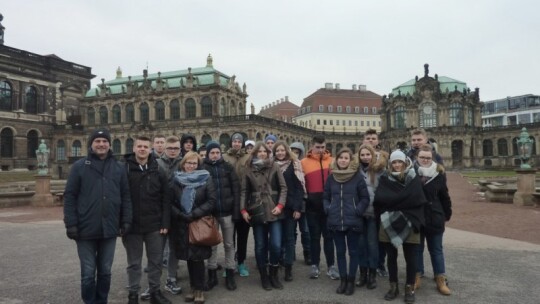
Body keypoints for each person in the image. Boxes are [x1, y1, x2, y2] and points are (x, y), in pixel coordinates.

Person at [63, 129, 132, 304]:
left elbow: (125, 196)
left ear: (109, 144)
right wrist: (71, 223)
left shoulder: (118, 167)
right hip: (85, 228)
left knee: (105, 271)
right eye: (97, 141)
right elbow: (70, 196)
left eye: (104, 141)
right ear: (91, 144)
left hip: (109, 227)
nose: (101, 144)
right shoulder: (79, 166)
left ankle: (101, 301)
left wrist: (125, 220)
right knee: (87, 273)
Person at [374, 150, 427, 304]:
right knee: (391, 257)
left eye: (400, 162)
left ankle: (409, 289)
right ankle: (393, 287)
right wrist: (402, 201)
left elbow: (417, 199)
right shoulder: (385, 178)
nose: (397, 165)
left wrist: (393, 201)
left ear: (405, 163)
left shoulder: (413, 177)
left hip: (410, 221)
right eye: (394, 162)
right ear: (390, 164)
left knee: (411, 258)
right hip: (389, 222)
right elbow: (380, 199)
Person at [123, 136, 171, 304]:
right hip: (132, 226)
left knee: (155, 262)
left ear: (150, 149)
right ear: (134, 148)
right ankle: (133, 295)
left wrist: (165, 222)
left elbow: (166, 197)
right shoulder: (125, 169)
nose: (142, 149)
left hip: (155, 225)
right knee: (134, 264)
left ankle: (154, 292)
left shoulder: (158, 169)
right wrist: (122, 223)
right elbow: (119, 198)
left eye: (145, 146)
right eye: (139, 146)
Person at [169, 152, 216, 304]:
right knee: (189, 258)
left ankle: (199, 289)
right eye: (188, 163)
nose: (191, 166)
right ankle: (192, 287)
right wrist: (181, 215)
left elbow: (211, 201)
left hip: (198, 222)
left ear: (198, 165)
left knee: (198, 258)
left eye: (194, 163)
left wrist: (194, 214)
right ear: (183, 164)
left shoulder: (206, 178)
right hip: (182, 223)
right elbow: (169, 202)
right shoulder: (176, 179)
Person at [240, 142, 287, 290]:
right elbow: (244, 192)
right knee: (260, 245)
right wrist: (243, 210)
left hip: (274, 209)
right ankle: (264, 276)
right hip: (257, 209)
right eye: (259, 151)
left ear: (268, 153)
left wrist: (280, 206)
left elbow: (283, 188)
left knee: (276, 244)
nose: (262, 153)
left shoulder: (274, 166)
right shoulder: (248, 168)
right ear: (254, 153)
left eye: (264, 151)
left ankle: (273, 273)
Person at [323, 148, 369, 296]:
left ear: (351, 160)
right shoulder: (331, 177)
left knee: (354, 252)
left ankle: (351, 280)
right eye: (341, 158)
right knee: (341, 252)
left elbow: (365, 198)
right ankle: (343, 280)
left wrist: (358, 211)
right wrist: (328, 208)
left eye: (346, 158)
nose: (343, 160)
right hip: (336, 219)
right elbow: (325, 197)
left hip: (353, 220)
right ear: (337, 160)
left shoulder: (357, 177)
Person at [414, 144, 452, 296]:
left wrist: (447, 214)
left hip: (435, 216)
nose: (425, 160)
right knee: (417, 249)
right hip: (417, 217)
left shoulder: (439, 173)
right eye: (422, 157)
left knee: (436, 250)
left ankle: (440, 279)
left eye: (428, 158)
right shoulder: (411, 172)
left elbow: (445, 196)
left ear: (432, 158)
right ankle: (416, 276)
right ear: (417, 157)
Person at [203, 141, 240, 291]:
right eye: (212, 152)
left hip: (228, 212)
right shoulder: (203, 168)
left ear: (221, 153)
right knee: (211, 245)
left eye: (217, 152)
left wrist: (236, 211)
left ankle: (230, 273)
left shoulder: (228, 167)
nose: (215, 155)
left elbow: (236, 190)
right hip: (211, 214)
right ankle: (212, 274)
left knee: (229, 244)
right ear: (208, 154)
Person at [301, 135, 338, 280]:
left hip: (329, 206)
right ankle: (315, 266)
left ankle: (331, 266)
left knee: (329, 238)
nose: (321, 150)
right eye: (318, 147)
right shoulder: (304, 162)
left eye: (323, 147)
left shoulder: (333, 161)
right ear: (312, 146)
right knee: (314, 238)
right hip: (312, 205)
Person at [273, 141, 306, 282]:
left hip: (291, 207)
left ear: (287, 151)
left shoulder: (295, 164)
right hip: (275, 207)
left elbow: (299, 188)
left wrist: (298, 208)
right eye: (277, 151)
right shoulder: (271, 165)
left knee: (289, 239)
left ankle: (288, 267)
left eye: (282, 150)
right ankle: (278, 262)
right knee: (276, 239)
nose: (280, 153)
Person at [155, 135, 183, 297]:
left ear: (180, 149)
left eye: (176, 148)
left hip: (177, 213)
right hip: (160, 213)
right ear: (164, 149)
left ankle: (171, 279)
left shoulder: (183, 163)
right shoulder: (156, 164)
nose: (173, 151)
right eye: (170, 148)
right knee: (156, 251)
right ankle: (154, 283)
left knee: (174, 249)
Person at [357, 144, 386, 290]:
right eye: (362, 155)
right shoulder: (355, 171)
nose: (365, 157)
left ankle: (372, 275)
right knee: (361, 245)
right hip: (359, 214)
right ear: (359, 156)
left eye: (368, 154)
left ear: (372, 155)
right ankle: (363, 274)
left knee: (373, 245)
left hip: (374, 213)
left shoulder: (380, 171)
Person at [362, 129, 389, 278]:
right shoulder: (358, 158)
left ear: (378, 141)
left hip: (381, 204)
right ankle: (366, 265)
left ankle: (380, 264)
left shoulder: (385, 158)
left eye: (373, 138)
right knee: (365, 238)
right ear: (363, 140)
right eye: (368, 138)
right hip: (364, 205)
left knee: (381, 237)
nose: (371, 140)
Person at [223, 132, 251, 277]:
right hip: (229, 200)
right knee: (229, 236)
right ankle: (229, 264)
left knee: (243, 235)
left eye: (239, 141)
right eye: (234, 141)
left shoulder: (248, 157)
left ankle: (241, 262)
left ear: (243, 143)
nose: (236, 143)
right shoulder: (224, 157)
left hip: (244, 200)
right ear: (231, 142)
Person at [290, 141, 311, 265]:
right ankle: (291, 253)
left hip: (304, 202)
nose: (294, 154)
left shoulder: (304, 166)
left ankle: (307, 253)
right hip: (292, 204)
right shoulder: (287, 166)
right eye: (292, 151)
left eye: (297, 152)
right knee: (292, 231)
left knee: (306, 231)